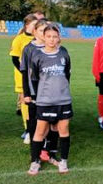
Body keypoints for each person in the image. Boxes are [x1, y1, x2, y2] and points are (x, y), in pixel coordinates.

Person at [27, 24, 72, 175]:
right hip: (44, 101)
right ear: (43, 37)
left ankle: (63, 161)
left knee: (63, 130)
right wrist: (35, 97)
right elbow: (34, 79)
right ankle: (35, 162)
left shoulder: (64, 53)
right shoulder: (37, 55)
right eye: (49, 36)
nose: (52, 39)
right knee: (40, 131)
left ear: (59, 37)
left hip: (63, 100)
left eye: (55, 36)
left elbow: (67, 74)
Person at [21, 19, 60, 165]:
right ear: (35, 32)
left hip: (51, 94)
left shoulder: (53, 48)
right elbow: (24, 72)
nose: (45, 35)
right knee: (35, 125)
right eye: (41, 31)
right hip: (34, 94)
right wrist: (26, 94)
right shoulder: (29, 49)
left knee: (52, 123)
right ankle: (35, 155)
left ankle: (49, 152)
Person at [9, 14, 37, 142]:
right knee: (26, 101)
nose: (36, 27)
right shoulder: (19, 39)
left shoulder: (39, 38)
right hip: (22, 77)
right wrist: (24, 72)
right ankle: (27, 129)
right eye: (33, 25)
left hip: (37, 77)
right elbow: (15, 59)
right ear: (27, 26)